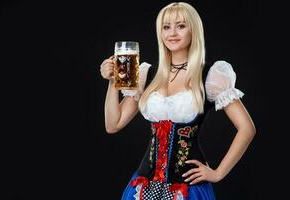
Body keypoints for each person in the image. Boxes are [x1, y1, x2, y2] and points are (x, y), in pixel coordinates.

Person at [100, 2, 256, 200]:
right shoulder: (148, 75)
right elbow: (113, 124)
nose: (172, 32)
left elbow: (247, 128)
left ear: (193, 30)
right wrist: (113, 82)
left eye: (181, 25)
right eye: (166, 27)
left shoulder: (210, 76)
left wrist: (217, 173)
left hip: (187, 190)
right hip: (143, 187)